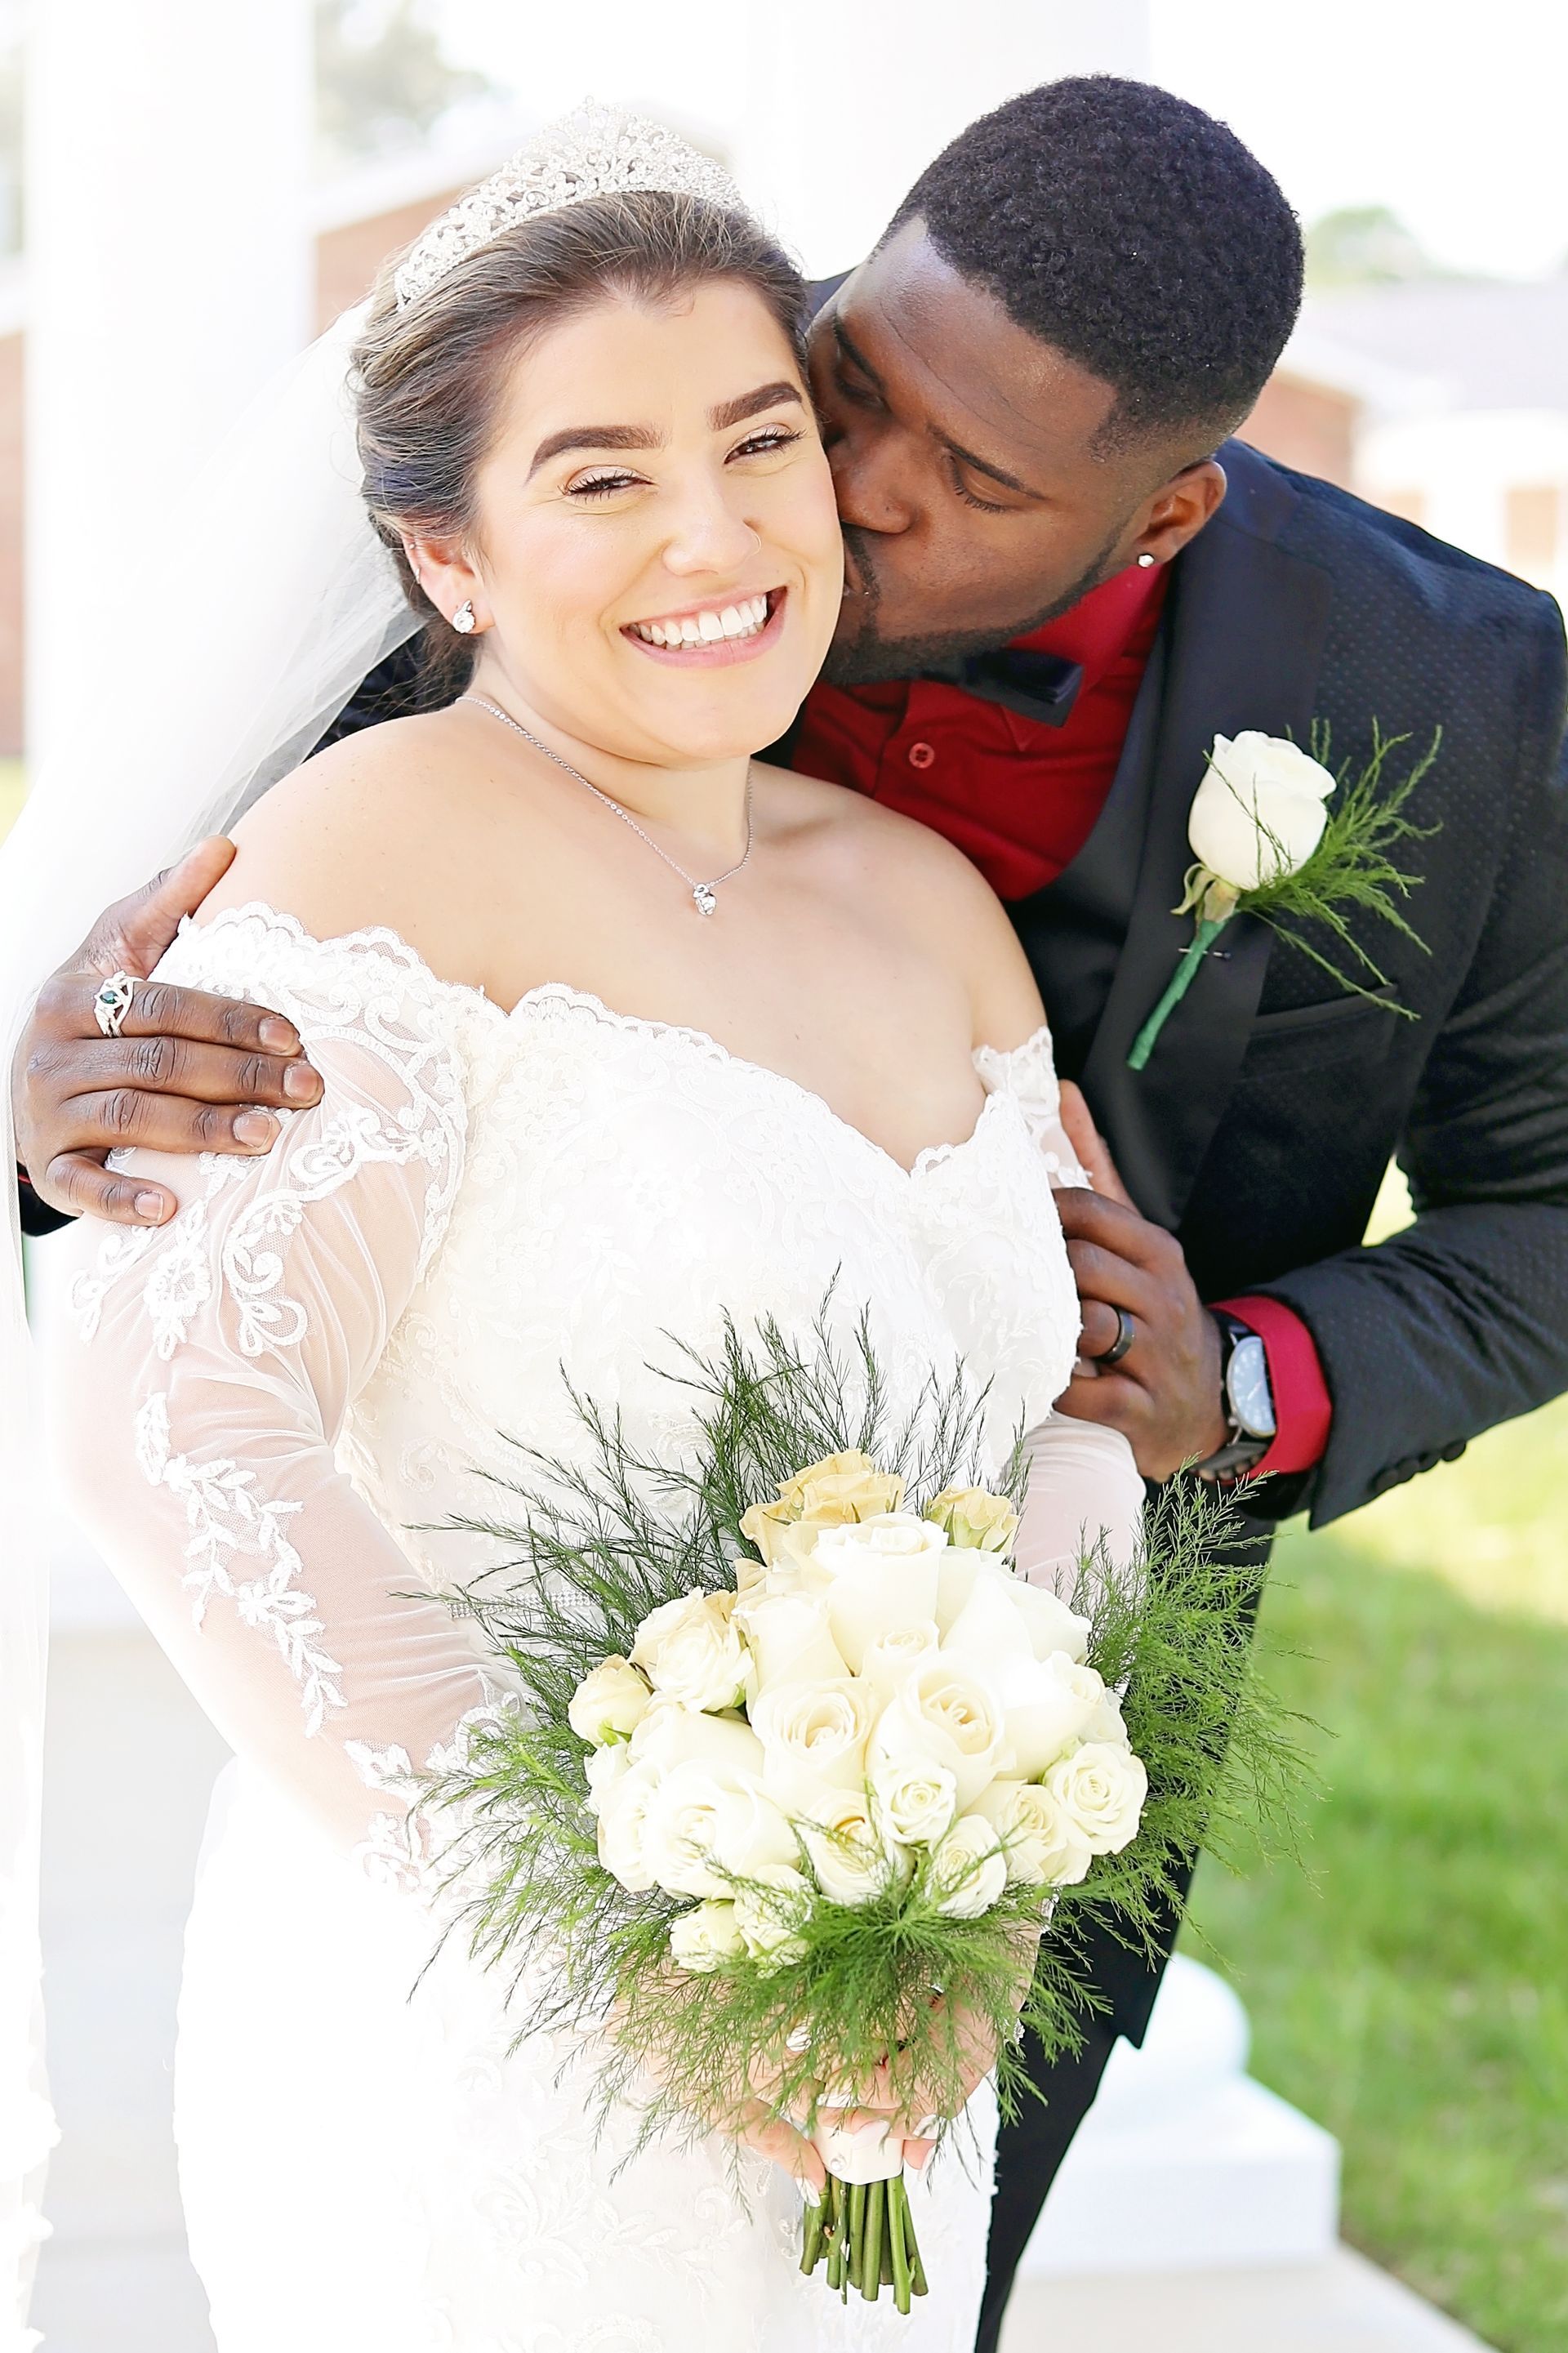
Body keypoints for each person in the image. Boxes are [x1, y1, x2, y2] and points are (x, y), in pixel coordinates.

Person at [11, 75, 1568, 2352]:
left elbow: (1477, 1239)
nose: (824, 495)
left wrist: (1198, 1425)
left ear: (1162, 520)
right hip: (492, 1994)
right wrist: (644, 1967)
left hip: (948, 1924)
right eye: (837, 393)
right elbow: (198, 1266)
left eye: (961, 479)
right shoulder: (523, 589)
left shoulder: (1424, 701)